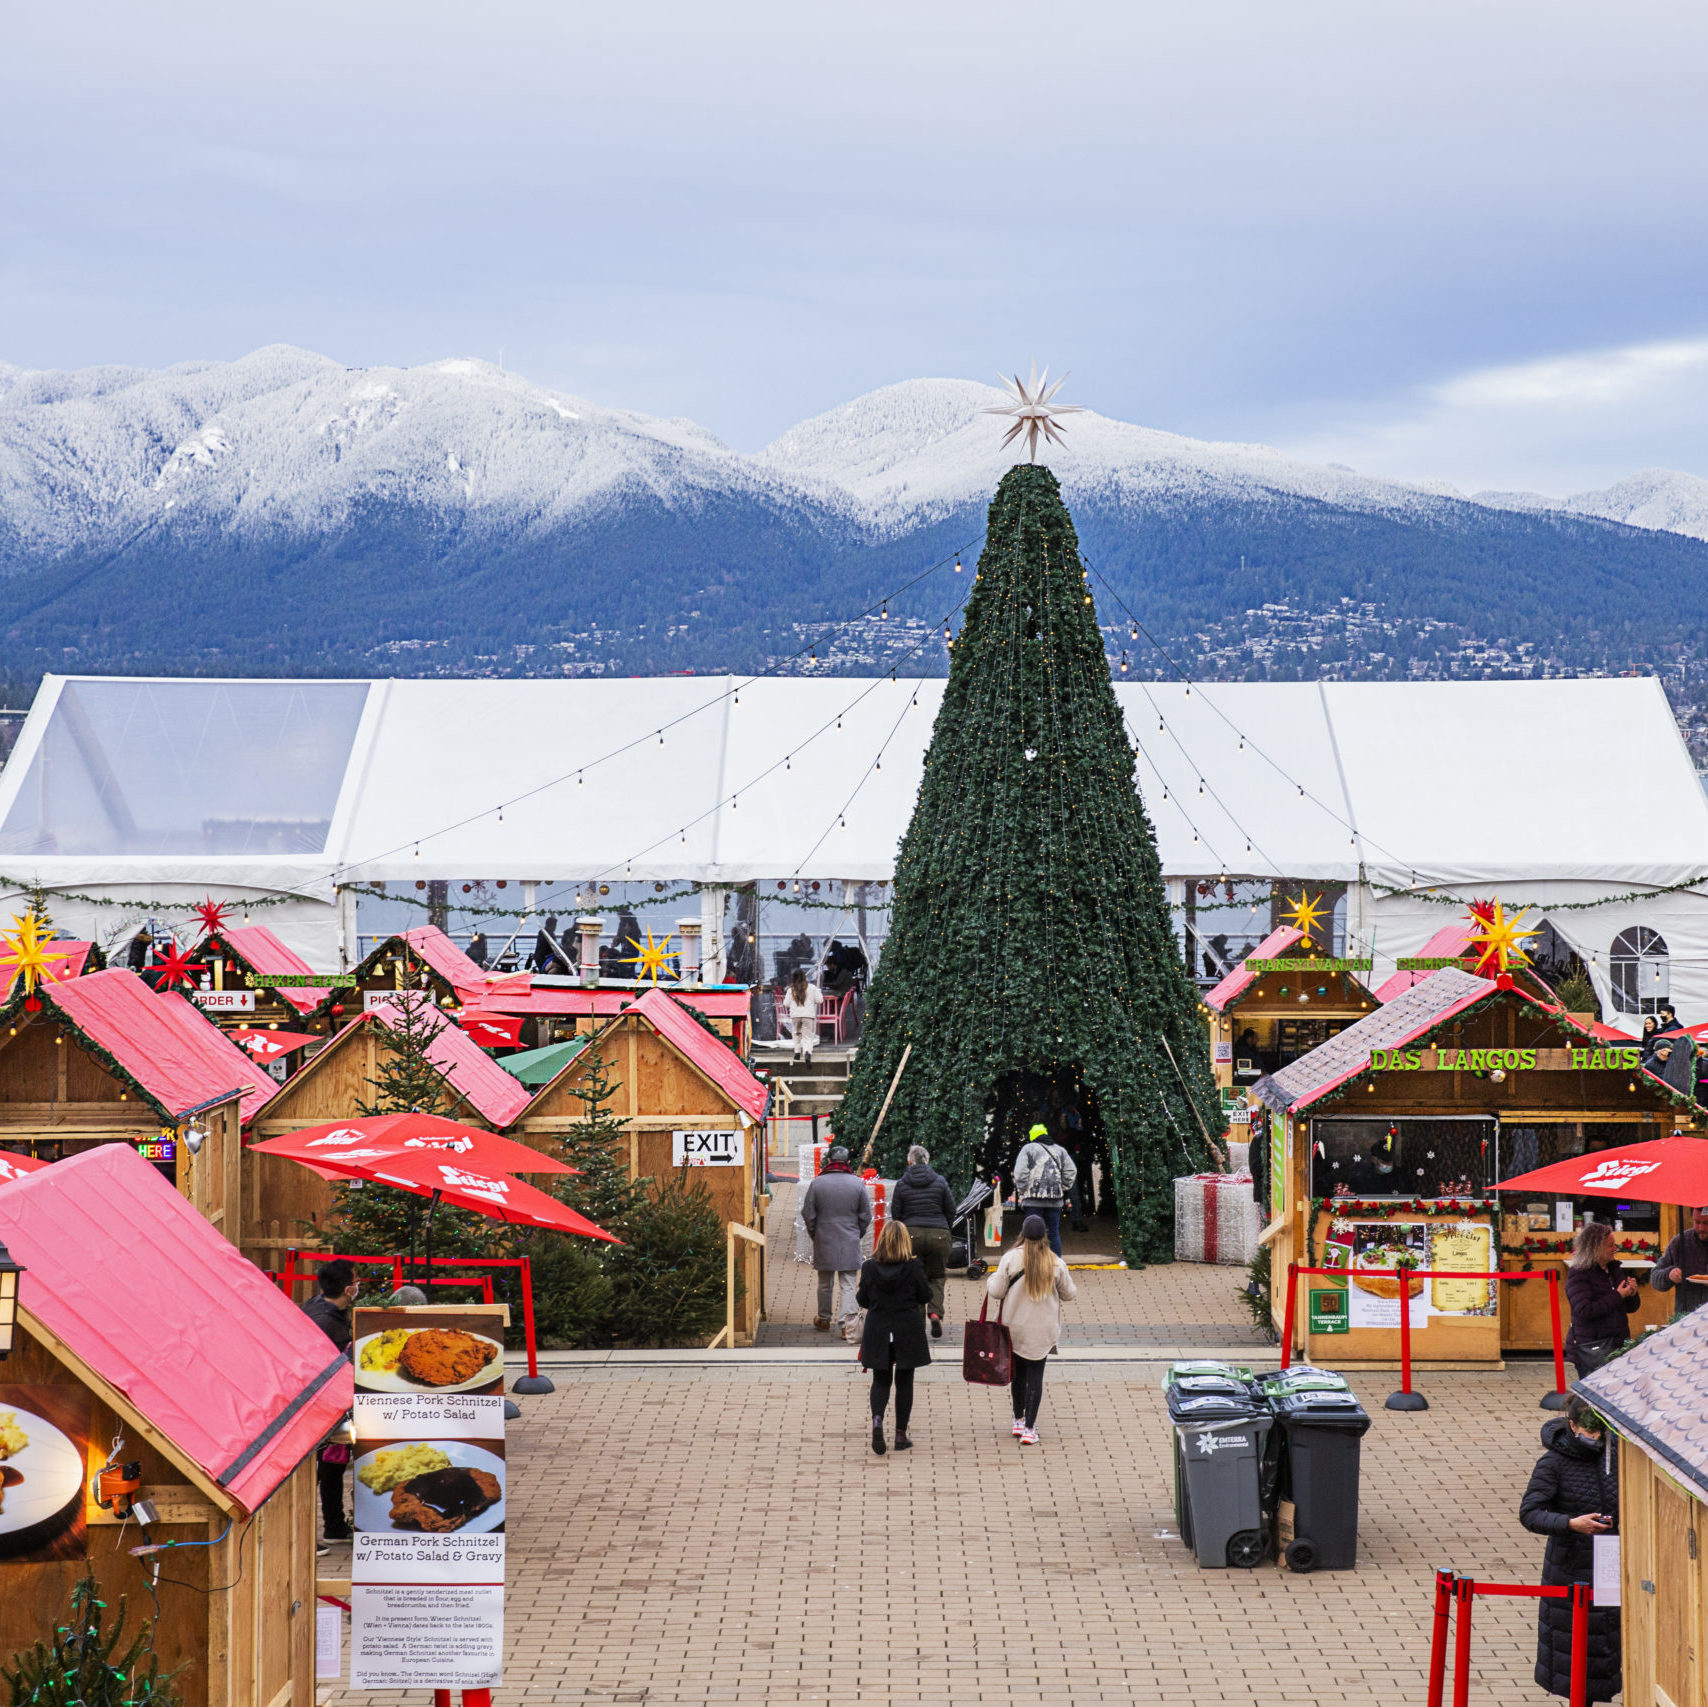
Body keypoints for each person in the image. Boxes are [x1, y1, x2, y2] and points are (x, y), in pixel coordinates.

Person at [1519, 1396, 1621, 1703]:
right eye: (1586, 1433)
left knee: (1610, 1640)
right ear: (1572, 1425)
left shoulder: (1616, 1454)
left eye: (1598, 1433)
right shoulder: (1553, 1463)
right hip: (1571, 1568)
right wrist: (1570, 1524)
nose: (1593, 1440)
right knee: (1576, 1648)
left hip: (1613, 1561)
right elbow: (1530, 1513)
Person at [985, 1214, 1077, 1445]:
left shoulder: (1010, 1258)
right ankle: (1029, 1428)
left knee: (1017, 1376)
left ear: (1023, 1234)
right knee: (1036, 1377)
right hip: (1043, 1331)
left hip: (1014, 1329)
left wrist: (991, 1279)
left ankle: (1018, 1419)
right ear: (1046, 1235)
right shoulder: (1055, 1262)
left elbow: (996, 1291)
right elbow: (1069, 1294)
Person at [856, 1219, 932, 1454]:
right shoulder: (914, 1266)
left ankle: (878, 1420)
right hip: (906, 1327)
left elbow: (862, 1300)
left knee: (880, 1379)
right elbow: (924, 1295)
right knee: (904, 1381)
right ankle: (900, 1433)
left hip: (878, 1328)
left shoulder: (869, 1267)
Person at [301, 1259, 359, 1545]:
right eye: (357, 1283)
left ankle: (334, 1525)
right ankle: (316, 1532)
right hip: (320, 1403)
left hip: (320, 1401)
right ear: (348, 1289)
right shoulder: (329, 1325)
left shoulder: (314, 1306)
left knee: (331, 1464)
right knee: (321, 1467)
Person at [801, 1146, 870, 1338]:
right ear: (848, 1162)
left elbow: (808, 1213)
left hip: (824, 1238)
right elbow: (866, 1215)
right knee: (848, 1283)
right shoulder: (857, 1184)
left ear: (829, 1161)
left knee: (824, 1282)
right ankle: (846, 1324)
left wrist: (815, 1233)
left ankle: (824, 1319)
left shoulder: (817, 1184)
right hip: (849, 1238)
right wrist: (857, 1232)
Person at [890, 1144, 957, 1336]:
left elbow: (896, 1213)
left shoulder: (902, 1183)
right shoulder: (940, 1181)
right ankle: (935, 1314)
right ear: (927, 1161)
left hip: (911, 1235)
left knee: (913, 1278)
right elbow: (951, 1209)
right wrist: (945, 1228)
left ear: (909, 1161)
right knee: (936, 1277)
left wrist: (902, 1233)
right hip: (939, 1233)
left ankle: (917, 1322)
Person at [1564, 1220, 1641, 1378]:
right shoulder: (1578, 1273)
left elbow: (1630, 1308)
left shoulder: (1614, 1269)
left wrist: (1631, 1294)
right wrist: (1618, 1295)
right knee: (1593, 1398)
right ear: (1595, 1248)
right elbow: (1584, 1310)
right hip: (1592, 1348)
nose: (1615, 1249)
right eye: (1610, 1245)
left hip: (1617, 1345)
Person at [1013, 1123, 1077, 1256]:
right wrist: (1063, 1186)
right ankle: (1056, 1265)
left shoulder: (1028, 1149)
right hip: (1055, 1200)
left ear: (1033, 1136)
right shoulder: (1060, 1150)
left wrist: (1023, 1189)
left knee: (1032, 1235)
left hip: (1032, 1200)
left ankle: (1035, 1265)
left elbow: (1020, 1173)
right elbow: (1071, 1170)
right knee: (1053, 1232)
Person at [1650, 1202, 1708, 1319]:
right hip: (1686, 1319)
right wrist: (1669, 1275)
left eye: (1706, 1223)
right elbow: (1655, 1279)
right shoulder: (1680, 1242)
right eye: (1697, 1222)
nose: (1701, 1228)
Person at [784, 968, 823, 1063]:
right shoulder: (812, 988)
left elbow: (786, 1004)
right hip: (808, 1015)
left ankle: (797, 1053)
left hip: (795, 1015)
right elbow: (820, 1000)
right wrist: (818, 992)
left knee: (796, 1033)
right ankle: (807, 1052)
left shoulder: (791, 990)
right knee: (807, 1036)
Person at [611, 912, 644, 979]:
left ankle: (629, 976)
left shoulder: (631, 924)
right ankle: (628, 976)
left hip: (632, 948)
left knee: (629, 964)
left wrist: (619, 939)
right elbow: (619, 937)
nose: (619, 917)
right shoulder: (622, 924)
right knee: (627, 965)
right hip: (627, 948)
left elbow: (637, 934)